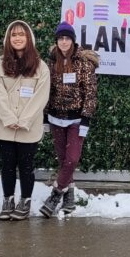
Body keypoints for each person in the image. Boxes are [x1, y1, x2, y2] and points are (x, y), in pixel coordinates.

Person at [0, 20, 50, 220]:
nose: (17, 38)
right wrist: (8, 118)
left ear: (29, 39)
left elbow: (41, 97)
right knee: (7, 165)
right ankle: (8, 200)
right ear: (8, 39)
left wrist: (24, 120)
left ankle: (25, 200)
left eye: (21, 35)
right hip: (4, 127)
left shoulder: (40, 67)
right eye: (14, 35)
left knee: (26, 166)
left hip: (29, 127)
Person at [41, 22, 99, 218]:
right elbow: (46, 91)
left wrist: (86, 119)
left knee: (72, 159)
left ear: (73, 40)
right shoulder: (50, 62)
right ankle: (70, 198)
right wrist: (44, 117)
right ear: (56, 41)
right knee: (64, 160)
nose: (63, 42)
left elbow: (90, 93)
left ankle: (56, 194)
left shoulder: (84, 62)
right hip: (55, 118)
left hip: (76, 120)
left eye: (67, 38)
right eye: (60, 38)